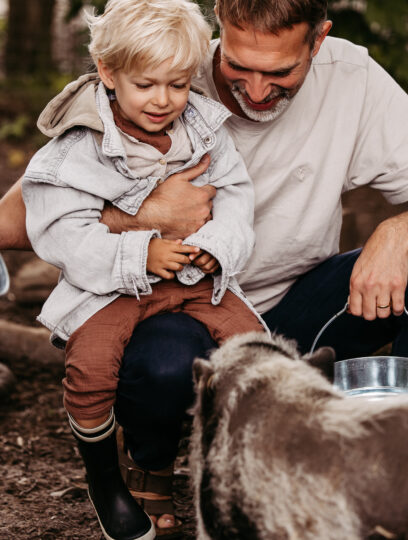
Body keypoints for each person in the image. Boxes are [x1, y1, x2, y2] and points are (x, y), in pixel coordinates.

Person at [1, 0, 408, 532]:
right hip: (166, 306)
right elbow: (20, 218)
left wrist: (397, 231)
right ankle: (147, 462)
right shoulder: (167, 63)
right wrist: (144, 214)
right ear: (220, 22)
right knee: (162, 362)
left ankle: (407, 451)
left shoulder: (351, 77)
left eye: (280, 72)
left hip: (289, 303)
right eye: (238, 67)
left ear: (318, 41)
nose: (257, 90)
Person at [20, 1, 264, 539]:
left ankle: (243, 472)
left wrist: (214, 245)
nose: (164, 100)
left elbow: (236, 199)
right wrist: (140, 252)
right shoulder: (75, 149)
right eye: (146, 84)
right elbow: (59, 231)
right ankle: (106, 482)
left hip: (193, 281)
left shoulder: (205, 130)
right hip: (111, 287)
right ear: (108, 73)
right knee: (91, 370)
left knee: (254, 349)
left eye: (178, 85)